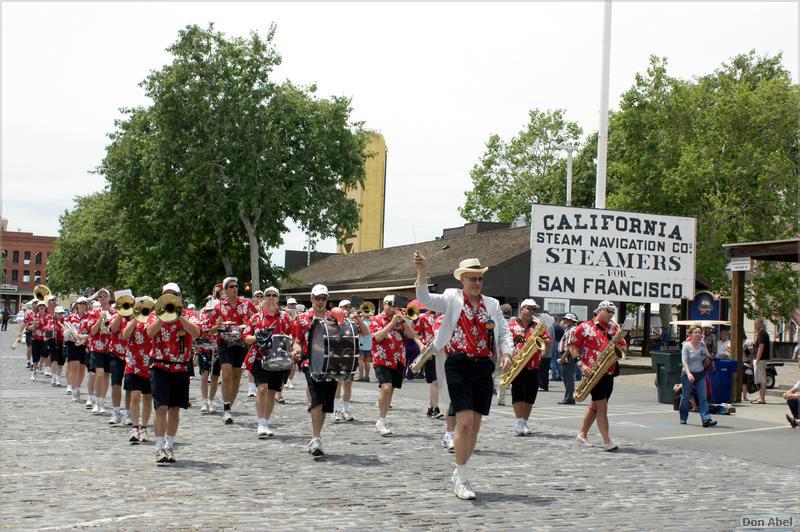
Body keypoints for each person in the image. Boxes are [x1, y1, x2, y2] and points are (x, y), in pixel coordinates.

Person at [414, 254, 513, 501]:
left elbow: (504, 333)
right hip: (458, 363)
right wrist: (423, 271)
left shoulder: (491, 304)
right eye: (472, 279)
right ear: (463, 280)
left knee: (475, 428)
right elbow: (425, 299)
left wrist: (507, 353)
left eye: (480, 278)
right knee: (465, 422)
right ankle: (461, 475)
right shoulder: (451, 298)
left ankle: (461, 470)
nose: (477, 283)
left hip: (483, 366)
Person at [146, 283, 200, 464]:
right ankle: (159, 447)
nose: (171, 298)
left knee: (175, 409)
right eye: (167, 295)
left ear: (180, 296)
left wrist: (180, 316)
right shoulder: (155, 315)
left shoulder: (189, 315)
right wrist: (163, 316)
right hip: (159, 366)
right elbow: (149, 333)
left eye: (174, 295)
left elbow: (197, 333)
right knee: (161, 407)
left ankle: (170, 444)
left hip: (180, 367)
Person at [569, 300, 627, 451]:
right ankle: (607, 441)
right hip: (592, 371)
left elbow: (623, 345)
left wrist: (619, 346)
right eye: (608, 311)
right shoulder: (585, 327)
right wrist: (581, 364)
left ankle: (582, 434)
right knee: (602, 406)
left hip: (609, 370)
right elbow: (573, 346)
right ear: (599, 310)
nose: (611, 315)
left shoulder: (614, 327)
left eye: (612, 312)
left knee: (595, 406)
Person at [291, 284, 338, 456]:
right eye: (317, 298)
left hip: (331, 363)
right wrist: (296, 349)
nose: (320, 301)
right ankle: (316, 438)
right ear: (311, 298)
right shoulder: (303, 319)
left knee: (325, 402)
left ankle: (316, 436)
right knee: (317, 399)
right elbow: (297, 340)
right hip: (309, 363)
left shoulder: (334, 317)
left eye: (323, 298)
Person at [243, 286, 294, 438]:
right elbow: (246, 336)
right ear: (264, 298)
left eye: (274, 295)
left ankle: (266, 421)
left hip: (279, 359)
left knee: (272, 392)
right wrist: (258, 338)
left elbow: (293, 335)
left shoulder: (285, 318)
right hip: (260, 357)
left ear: (278, 298)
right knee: (262, 389)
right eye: (268, 295)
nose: (271, 297)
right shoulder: (256, 318)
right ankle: (260, 423)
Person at [208, 277, 257, 424]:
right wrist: (217, 325)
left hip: (241, 344)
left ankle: (229, 406)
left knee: (236, 378)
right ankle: (226, 408)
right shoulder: (219, 307)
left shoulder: (247, 304)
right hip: (225, 343)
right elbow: (210, 331)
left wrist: (250, 324)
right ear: (224, 290)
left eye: (236, 286)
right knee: (227, 375)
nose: (234, 288)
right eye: (231, 286)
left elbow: (256, 319)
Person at [370, 294, 417, 436]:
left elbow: (410, 335)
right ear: (383, 304)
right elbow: (378, 337)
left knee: (389, 391)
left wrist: (403, 321)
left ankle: (381, 419)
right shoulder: (376, 319)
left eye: (394, 304)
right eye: (389, 304)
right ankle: (382, 420)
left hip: (398, 358)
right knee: (386, 387)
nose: (392, 307)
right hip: (382, 358)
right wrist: (392, 323)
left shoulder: (402, 320)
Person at [506, 299, 551, 436]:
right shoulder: (511, 326)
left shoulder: (538, 326)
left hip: (533, 365)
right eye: (529, 309)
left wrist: (543, 347)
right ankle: (519, 421)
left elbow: (547, 340)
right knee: (518, 395)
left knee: (530, 396)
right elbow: (506, 342)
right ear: (522, 309)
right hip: (517, 365)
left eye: (534, 309)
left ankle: (525, 421)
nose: (532, 312)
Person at [121, 296, 155, 443]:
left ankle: (144, 427)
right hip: (134, 362)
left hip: (150, 362)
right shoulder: (132, 321)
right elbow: (124, 335)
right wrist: (135, 319)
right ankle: (135, 427)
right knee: (135, 395)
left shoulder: (154, 321)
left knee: (148, 397)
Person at [679, 326, 717, 427]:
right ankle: (683, 417)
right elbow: (684, 361)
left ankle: (706, 419)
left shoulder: (702, 345)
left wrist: (707, 355)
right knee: (686, 396)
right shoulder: (686, 346)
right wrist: (688, 373)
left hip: (700, 374)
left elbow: (708, 356)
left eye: (699, 332)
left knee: (703, 397)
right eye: (695, 332)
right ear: (690, 334)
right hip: (688, 373)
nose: (697, 334)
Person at [87, 289, 115, 414]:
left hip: (110, 347)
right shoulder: (93, 313)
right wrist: (100, 319)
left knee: (106, 376)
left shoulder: (114, 313)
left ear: (109, 298)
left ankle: (102, 402)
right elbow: (92, 331)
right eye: (101, 296)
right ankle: (96, 401)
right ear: (98, 299)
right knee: (99, 374)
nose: (103, 298)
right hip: (97, 347)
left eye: (105, 296)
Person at [415, 302, 444, 419]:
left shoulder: (447, 318)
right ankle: (435, 408)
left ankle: (431, 407)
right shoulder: (424, 318)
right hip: (431, 351)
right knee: (435, 381)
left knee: (438, 382)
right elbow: (415, 334)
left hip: (443, 353)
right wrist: (421, 345)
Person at [108, 290, 133, 425]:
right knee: (116, 384)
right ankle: (116, 412)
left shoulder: (135, 317)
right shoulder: (115, 316)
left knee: (129, 387)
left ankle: (129, 413)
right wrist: (120, 313)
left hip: (131, 356)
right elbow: (114, 328)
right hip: (116, 354)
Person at [65, 297, 90, 402]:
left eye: (84, 303)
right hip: (72, 343)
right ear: (77, 305)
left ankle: (78, 387)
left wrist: (85, 336)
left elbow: (92, 330)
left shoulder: (89, 317)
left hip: (84, 344)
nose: (82, 305)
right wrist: (69, 332)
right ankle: (74, 389)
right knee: (74, 366)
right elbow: (65, 331)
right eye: (81, 303)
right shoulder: (71, 317)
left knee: (82, 368)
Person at [557, 313, 580, 404]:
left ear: (571, 321)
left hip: (568, 355)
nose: (565, 320)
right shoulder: (568, 329)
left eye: (567, 319)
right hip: (566, 354)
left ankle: (569, 398)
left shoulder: (572, 330)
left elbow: (571, 345)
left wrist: (564, 356)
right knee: (566, 377)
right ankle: (568, 397)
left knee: (568, 377)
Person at [751, 318, 770, 404]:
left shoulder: (762, 333)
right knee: (759, 378)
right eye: (754, 324)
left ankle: (762, 399)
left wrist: (757, 359)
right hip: (759, 359)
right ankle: (760, 397)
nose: (755, 326)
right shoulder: (760, 333)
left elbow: (761, 347)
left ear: (761, 324)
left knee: (762, 379)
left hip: (761, 359)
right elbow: (755, 345)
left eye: (756, 324)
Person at [535, 305, 554, 391]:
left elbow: (547, 339)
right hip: (547, 351)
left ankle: (543, 385)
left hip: (546, 352)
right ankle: (543, 384)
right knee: (543, 369)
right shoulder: (550, 326)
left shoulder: (548, 326)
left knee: (543, 369)